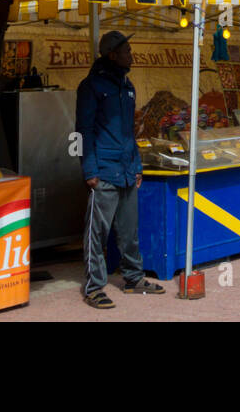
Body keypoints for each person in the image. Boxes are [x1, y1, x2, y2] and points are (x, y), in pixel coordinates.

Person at [76, 31, 166, 309]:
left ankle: (133, 278)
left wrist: (137, 165)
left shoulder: (128, 86)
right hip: (103, 171)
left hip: (127, 169)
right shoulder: (91, 86)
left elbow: (129, 132)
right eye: (127, 51)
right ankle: (94, 287)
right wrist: (89, 170)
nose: (131, 55)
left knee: (129, 231)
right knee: (97, 234)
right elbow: (83, 131)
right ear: (112, 54)